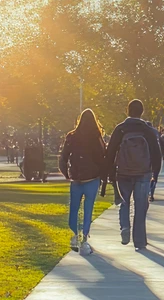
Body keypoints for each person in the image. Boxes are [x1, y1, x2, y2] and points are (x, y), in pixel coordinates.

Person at [104, 99, 162, 251]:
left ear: (127, 111)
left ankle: (124, 226)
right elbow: (156, 153)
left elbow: (110, 152)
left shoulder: (121, 129)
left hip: (123, 172)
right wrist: (155, 172)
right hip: (143, 172)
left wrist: (110, 172)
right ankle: (140, 241)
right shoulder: (147, 130)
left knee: (124, 201)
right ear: (142, 112)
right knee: (141, 206)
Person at [60, 109, 108, 256]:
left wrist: (66, 173)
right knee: (88, 209)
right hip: (92, 178)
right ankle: (85, 240)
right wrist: (104, 178)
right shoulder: (96, 137)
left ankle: (74, 235)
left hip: (76, 178)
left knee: (74, 208)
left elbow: (63, 157)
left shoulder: (72, 136)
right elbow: (103, 158)